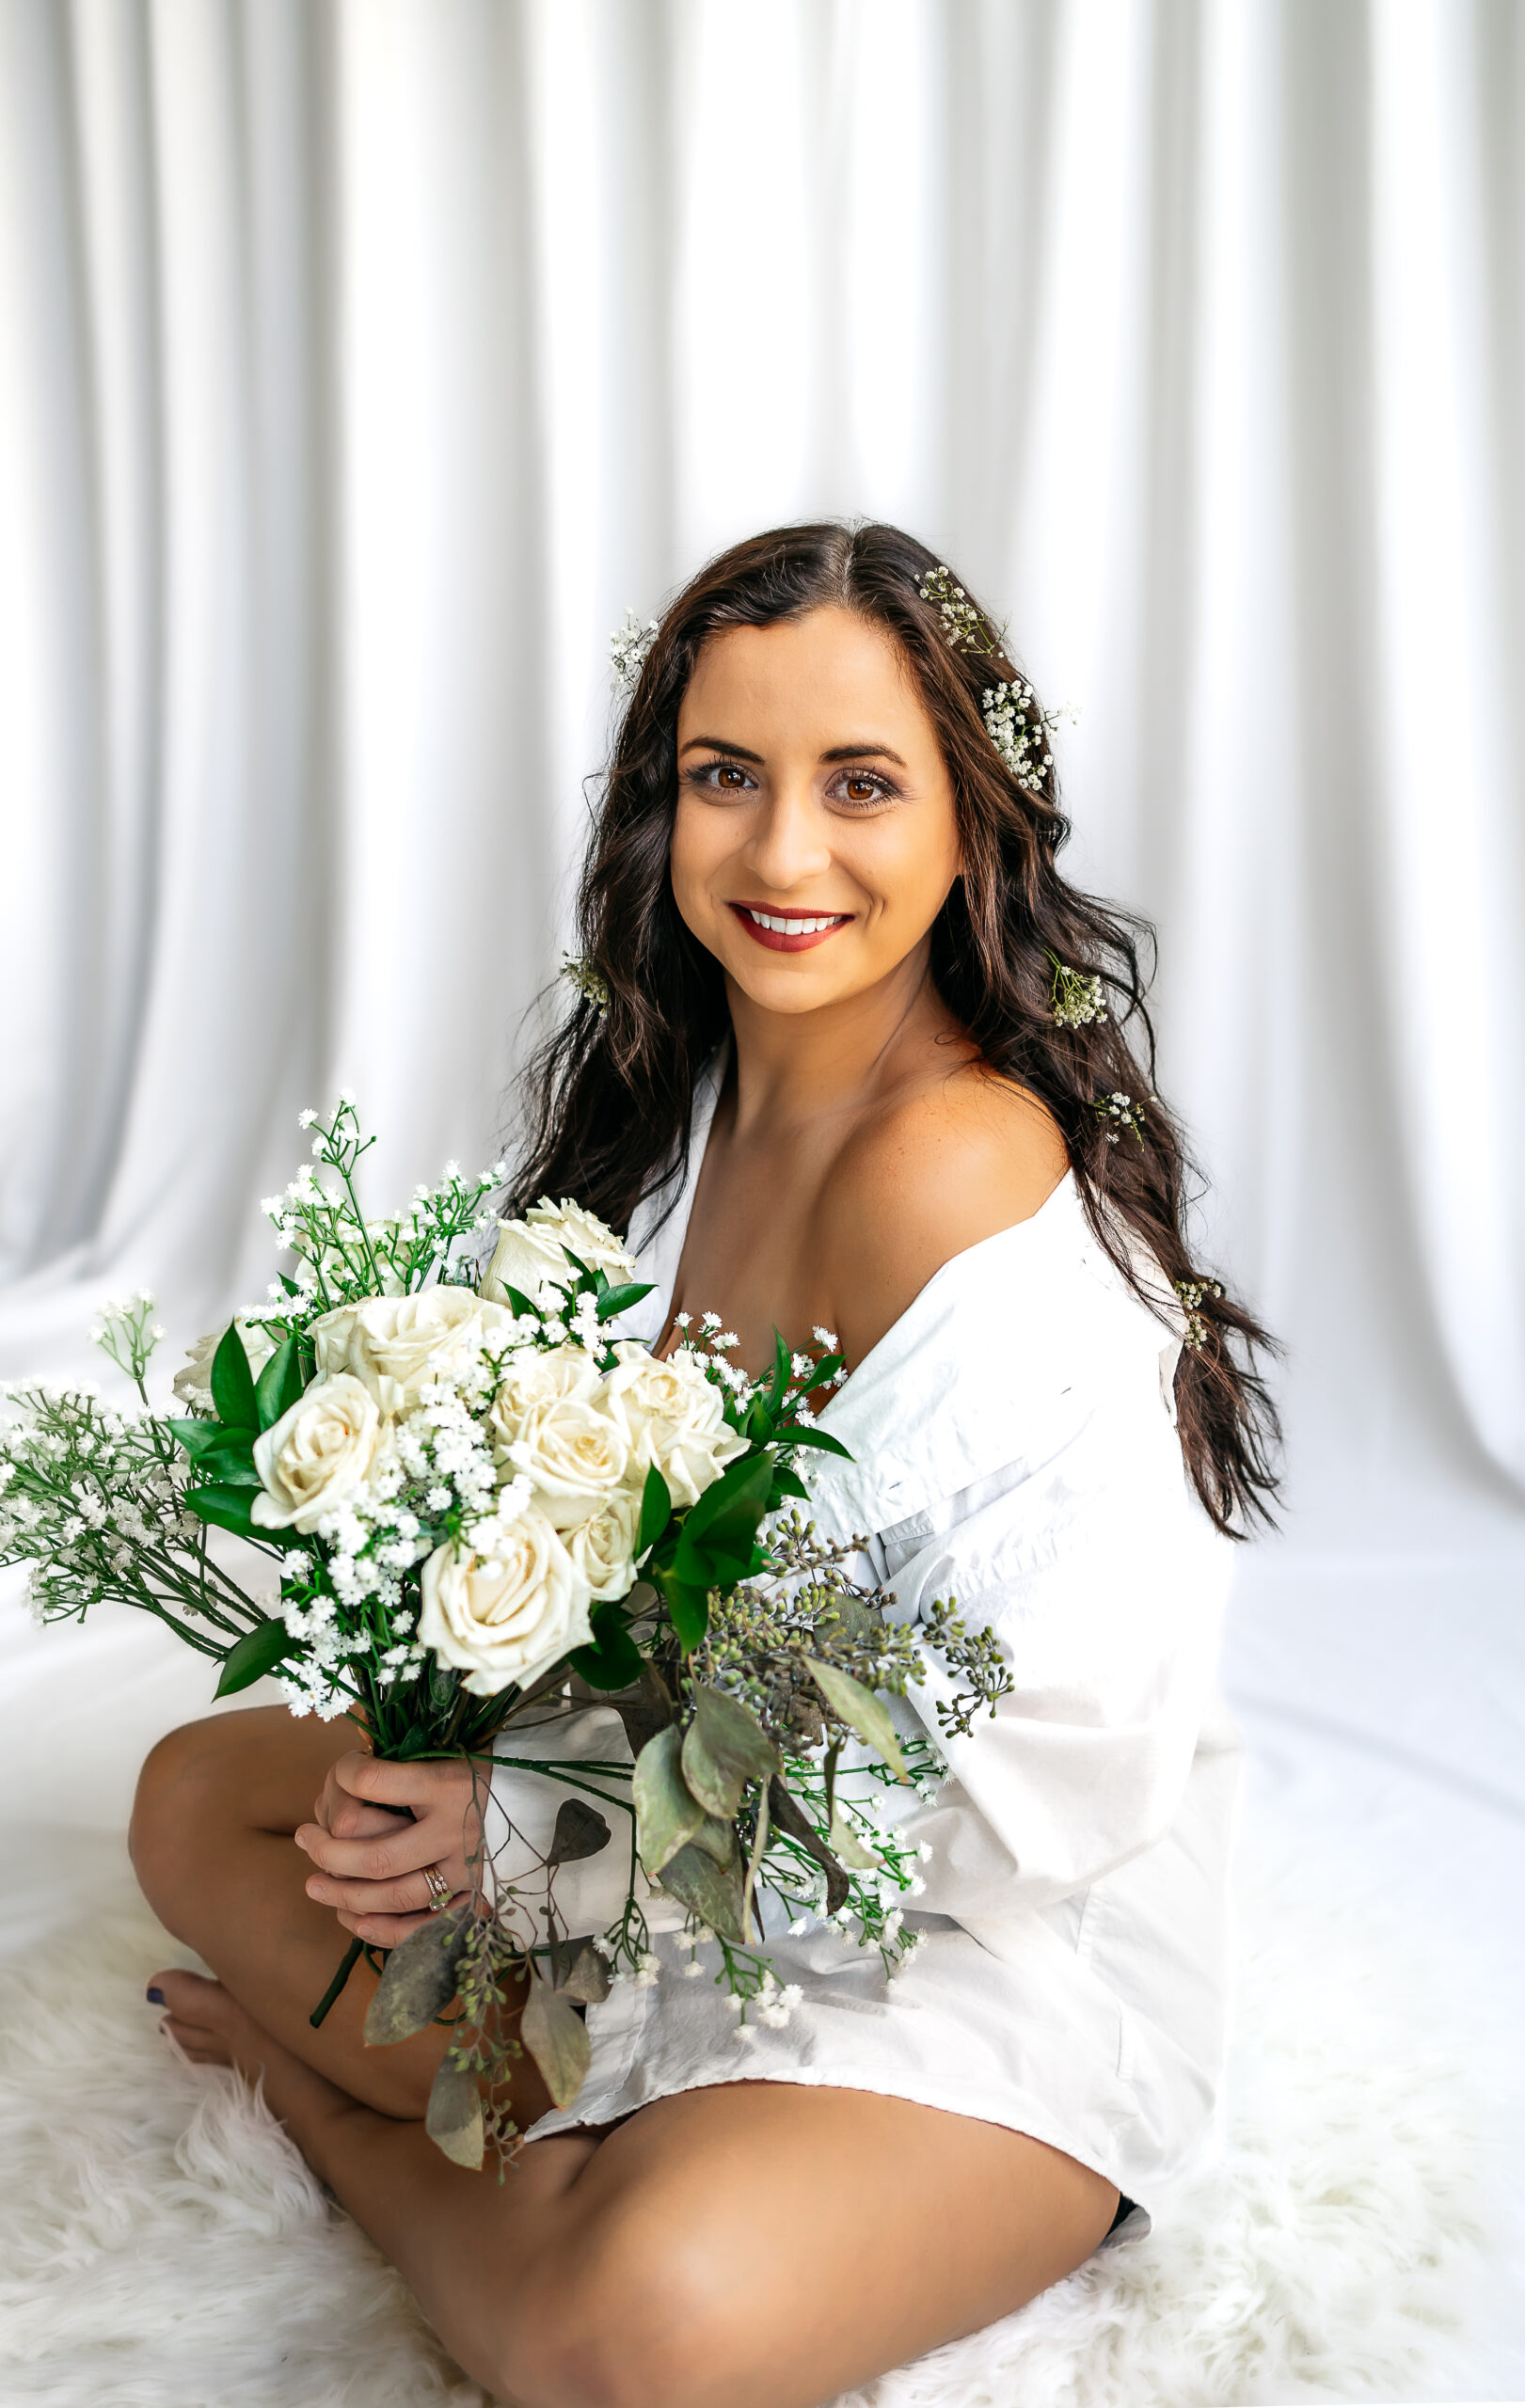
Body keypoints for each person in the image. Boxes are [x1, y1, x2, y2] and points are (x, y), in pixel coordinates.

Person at [132, 521, 1278, 2408]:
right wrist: (477, 1747)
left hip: (979, 1917)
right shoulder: (712, 1097)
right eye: (724, 777)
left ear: (973, 822)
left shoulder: (955, 1162)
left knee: (628, 2326)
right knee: (193, 1792)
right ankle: (526, 2131)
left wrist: (537, 1831)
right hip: (682, 1843)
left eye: (860, 784)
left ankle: (352, 2140)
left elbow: (1018, 1772)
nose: (783, 853)